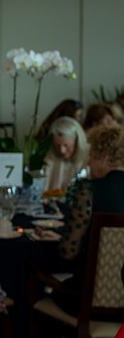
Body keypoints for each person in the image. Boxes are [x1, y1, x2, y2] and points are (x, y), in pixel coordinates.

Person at [57, 124, 124, 312]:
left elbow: (68, 252)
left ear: (104, 157)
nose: (87, 163)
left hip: (87, 303)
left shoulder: (88, 190)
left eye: (91, 156)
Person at [43, 116, 89, 193]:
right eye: (57, 145)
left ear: (77, 142)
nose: (62, 151)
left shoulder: (89, 159)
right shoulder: (48, 159)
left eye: (66, 145)